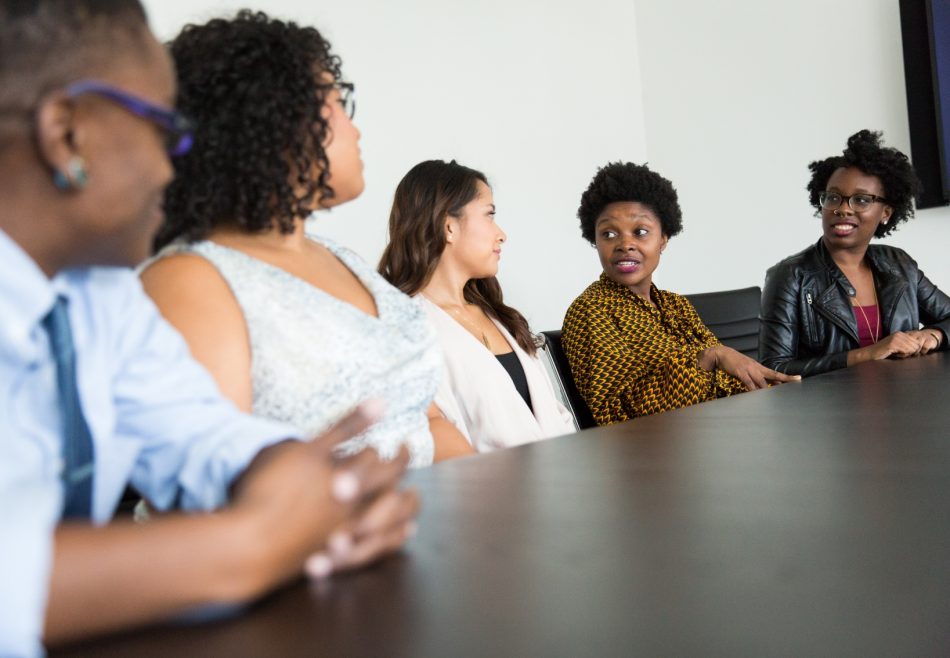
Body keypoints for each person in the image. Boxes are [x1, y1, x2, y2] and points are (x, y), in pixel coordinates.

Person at [0, 3, 417, 655]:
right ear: (65, 133)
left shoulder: (100, 293)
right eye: (162, 129)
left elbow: (200, 433)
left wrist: (299, 482)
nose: (175, 167)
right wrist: (254, 545)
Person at [140, 12, 474, 466]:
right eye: (338, 101)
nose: (354, 128)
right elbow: (212, 496)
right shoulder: (190, 280)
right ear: (273, 117)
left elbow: (426, 421)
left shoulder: (345, 261)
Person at [561, 162, 797, 425]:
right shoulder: (590, 311)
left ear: (663, 239)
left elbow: (724, 378)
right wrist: (708, 358)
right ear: (595, 241)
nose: (625, 244)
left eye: (640, 232)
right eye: (609, 233)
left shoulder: (676, 305)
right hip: (652, 455)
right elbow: (616, 414)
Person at [378, 160, 576, 451]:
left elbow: (556, 416)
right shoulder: (404, 329)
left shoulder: (500, 317)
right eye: (489, 214)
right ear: (448, 226)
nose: (501, 234)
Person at [759, 130, 950, 376]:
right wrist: (865, 355)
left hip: (904, 400)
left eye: (861, 200)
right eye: (834, 197)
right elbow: (772, 369)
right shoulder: (791, 276)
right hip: (832, 410)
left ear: (886, 213)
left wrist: (935, 334)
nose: (843, 209)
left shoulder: (899, 264)